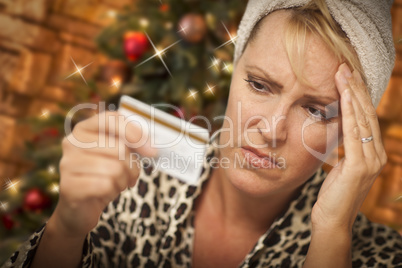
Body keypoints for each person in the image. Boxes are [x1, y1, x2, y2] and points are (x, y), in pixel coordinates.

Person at [3, 0, 402, 267]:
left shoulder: (379, 256)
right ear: (234, 72)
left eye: (315, 110)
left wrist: (332, 237)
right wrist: (66, 228)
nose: (270, 129)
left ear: (352, 128)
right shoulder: (132, 172)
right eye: (261, 85)